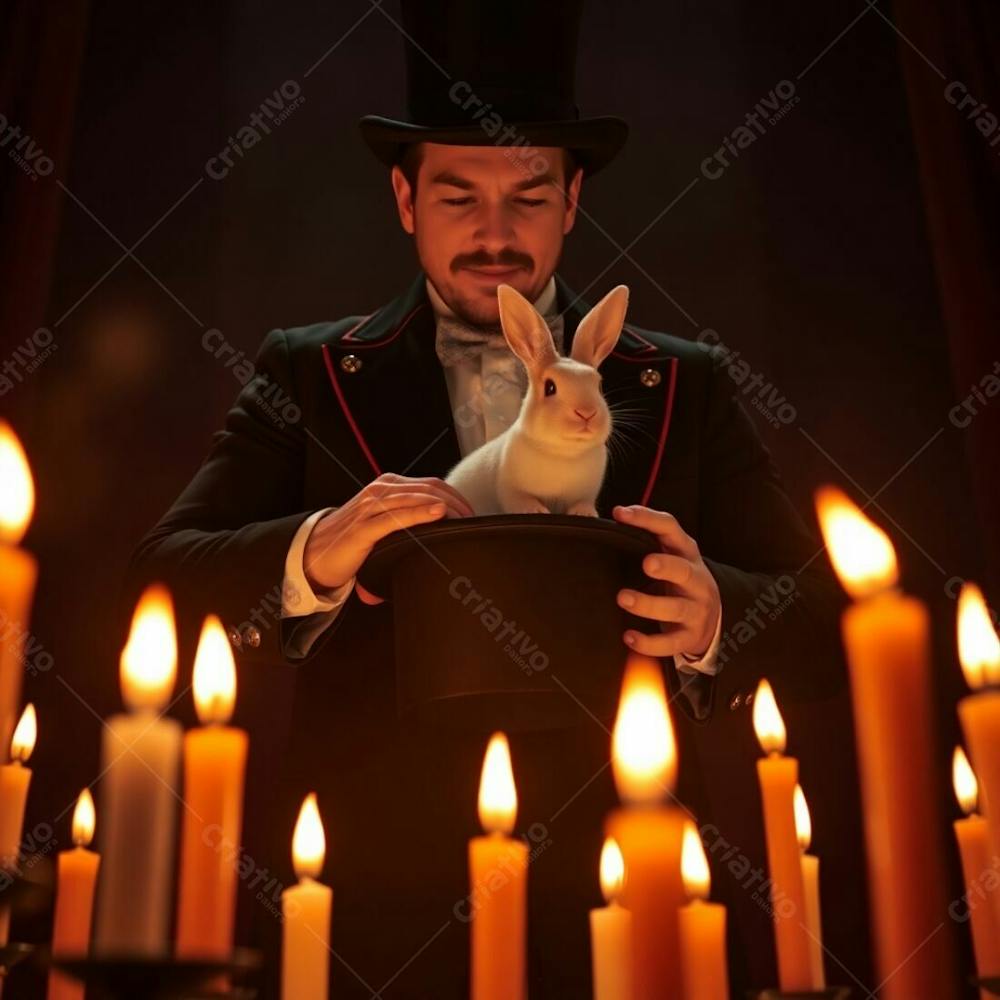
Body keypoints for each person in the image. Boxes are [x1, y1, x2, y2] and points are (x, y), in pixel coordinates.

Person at [127, 2, 845, 995]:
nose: (496, 234)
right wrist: (316, 552)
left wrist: (719, 609)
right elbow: (159, 581)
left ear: (572, 198)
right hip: (363, 888)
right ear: (404, 199)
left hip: (632, 887)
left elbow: (832, 623)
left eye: (528, 196)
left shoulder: (686, 383)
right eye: (458, 196)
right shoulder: (306, 373)